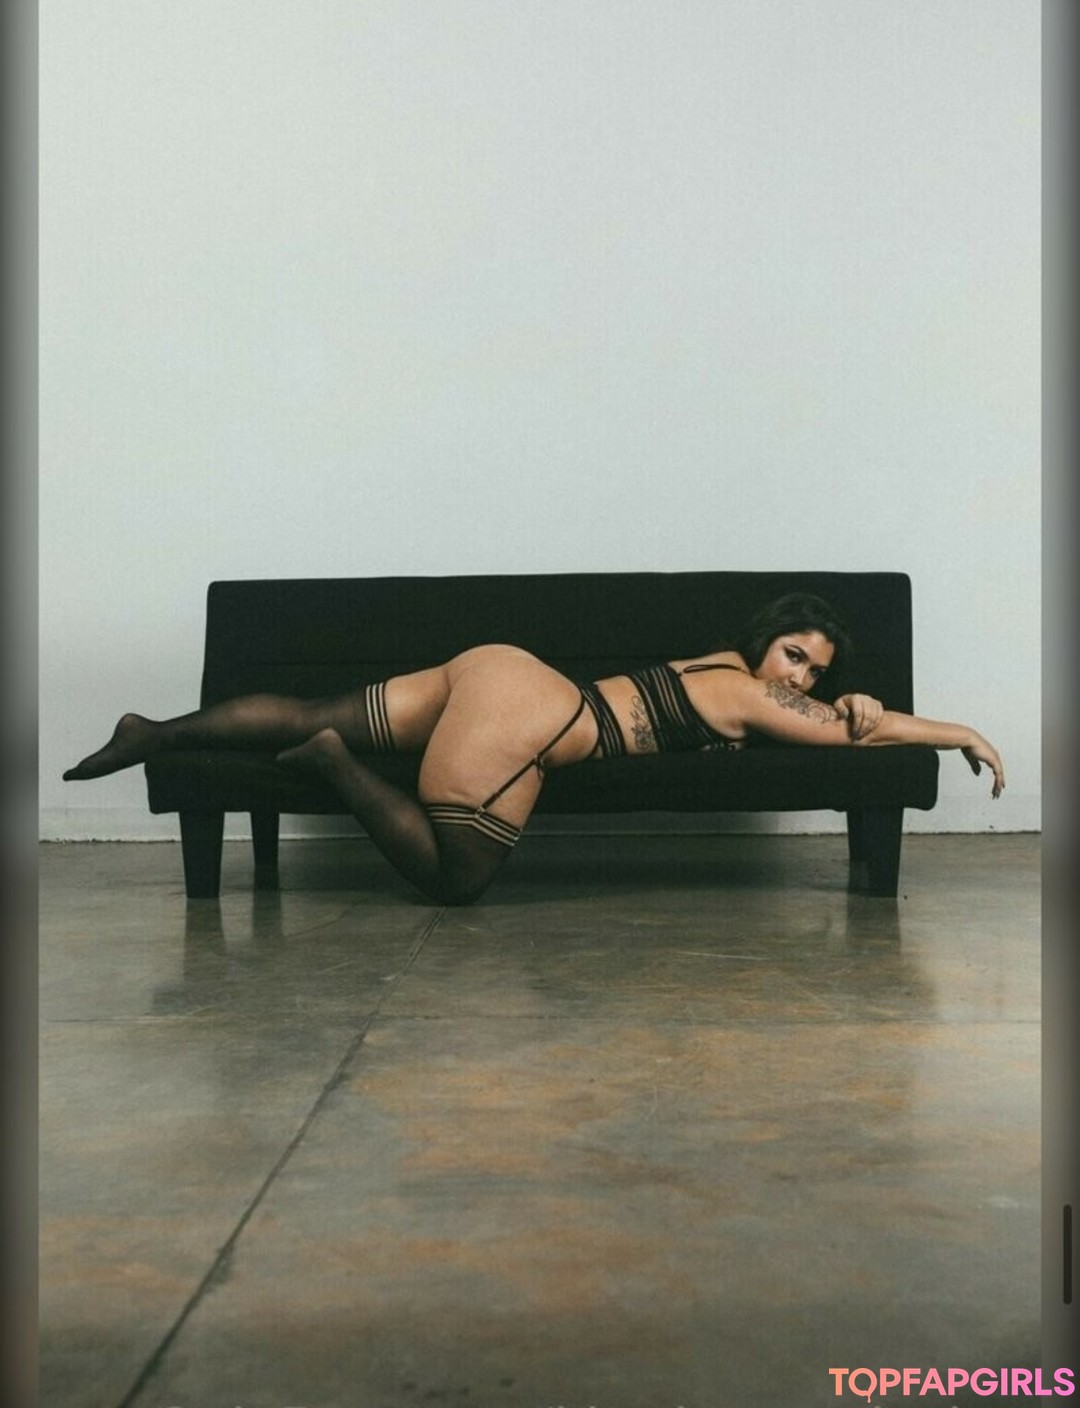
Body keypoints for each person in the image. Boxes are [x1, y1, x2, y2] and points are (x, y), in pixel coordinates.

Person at [63, 593, 1004, 906]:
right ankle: (334, 765)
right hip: (542, 722)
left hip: (499, 668)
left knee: (310, 705)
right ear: (769, 645)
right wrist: (959, 731)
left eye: (815, 669)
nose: (798, 675)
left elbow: (839, 714)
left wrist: (847, 699)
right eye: (794, 654)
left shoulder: (722, 663)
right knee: (456, 878)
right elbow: (856, 731)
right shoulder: (752, 695)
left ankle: (156, 733)